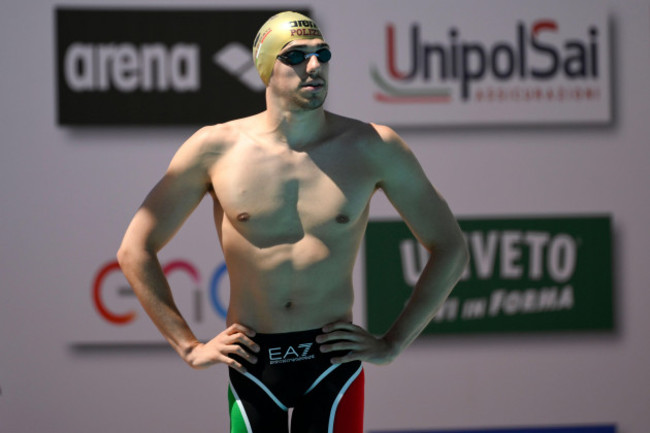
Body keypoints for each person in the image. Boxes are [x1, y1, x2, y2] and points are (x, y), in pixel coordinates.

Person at [117, 11, 468, 433]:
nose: (314, 65)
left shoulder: (373, 146)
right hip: (253, 365)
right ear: (266, 67)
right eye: (297, 56)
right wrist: (188, 347)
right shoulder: (215, 148)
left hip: (332, 363)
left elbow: (451, 246)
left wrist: (393, 343)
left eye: (322, 53)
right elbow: (135, 249)